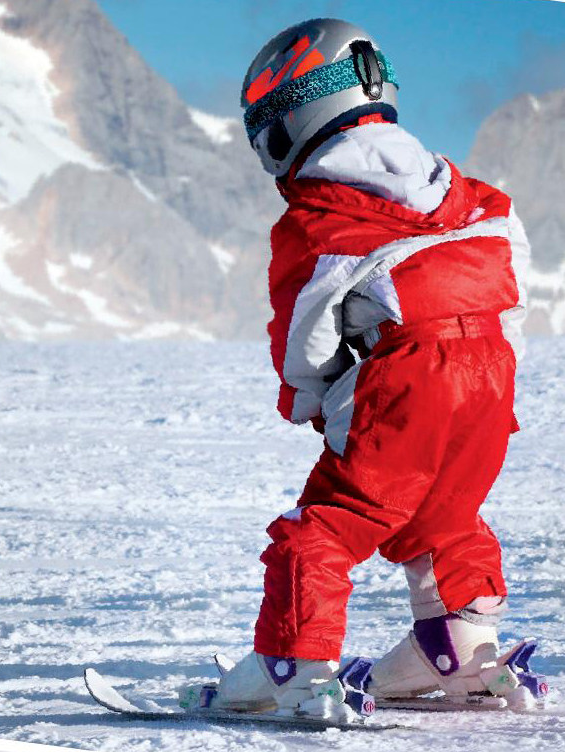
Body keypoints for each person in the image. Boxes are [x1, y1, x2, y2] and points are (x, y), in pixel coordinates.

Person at [208, 18, 533, 715]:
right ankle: (462, 648)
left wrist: (316, 398)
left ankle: (295, 668)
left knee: (330, 520)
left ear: (292, 116)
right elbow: (512, 290)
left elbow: (304, 335)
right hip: (493, 373)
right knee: (447, 511)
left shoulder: (321, 218)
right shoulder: (476, 198)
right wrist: (493, 377)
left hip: (409, 377)